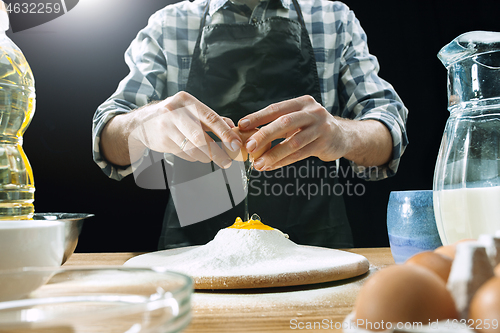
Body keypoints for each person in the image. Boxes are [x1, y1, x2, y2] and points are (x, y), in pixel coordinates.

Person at [92, 0, 409, 250]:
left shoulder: (333, 18)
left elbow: (388, 133)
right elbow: (106, 138)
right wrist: (145, 123)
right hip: (193, 254)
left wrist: (343, 135)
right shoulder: (169, 24)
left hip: (316, 249)